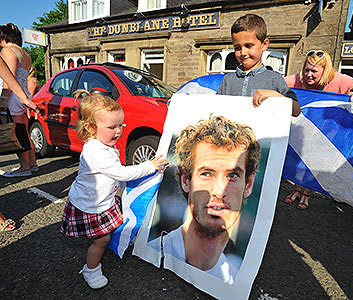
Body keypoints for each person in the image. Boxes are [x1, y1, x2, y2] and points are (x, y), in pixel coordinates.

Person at [60, 91, 168, 289]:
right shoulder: (95, 151)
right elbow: (122, 173)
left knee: (110, 228)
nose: (118, 131)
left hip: (101, 201)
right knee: (101, 240)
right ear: (90, 128)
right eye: (112, 127)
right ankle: (91, 269)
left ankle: (112, 243)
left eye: (121, 125)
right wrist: (151, 166)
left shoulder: (103, 145)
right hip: (90, 206)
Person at [149, 115, 260, 284]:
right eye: (206, 174)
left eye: (232, 175)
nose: (218, 191)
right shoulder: (154, 253)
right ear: (186, 180)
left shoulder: (234, 276)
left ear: (248, 184)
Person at [283, 50, 353, 209]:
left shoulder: (338, 79)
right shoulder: (298, 79)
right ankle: (297, 189)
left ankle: (306, 193)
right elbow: (275, 82)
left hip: (328, 131)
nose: (308, 75)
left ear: (325, 70)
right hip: (304, 128)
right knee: (299, 159)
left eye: (314, 71)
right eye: (306, 70)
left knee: (315, 161)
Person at [216, 14, 301, 117]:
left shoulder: (275, 79)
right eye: (237, 47)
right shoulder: (228, 80)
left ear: (264, 44)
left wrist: (277, 96)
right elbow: (217, 110)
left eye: (248, 46)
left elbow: (296, 111)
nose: (243, 52)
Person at [0, 56, 41, 231]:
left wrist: (22, 98)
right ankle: (29, 165)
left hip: (14, 100)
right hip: (16, 100)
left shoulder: (9, 51)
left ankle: (27, 166)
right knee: (22, 134)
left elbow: (6, 73)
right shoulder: (18, 53)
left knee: (20, 134)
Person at [0, 23, 38, 177]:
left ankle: (24, 167)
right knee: (24, 132)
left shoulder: (8, 51)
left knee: (16, 133)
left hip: (13, 96)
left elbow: (8, 78)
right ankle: (32, 164)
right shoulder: (24, 53)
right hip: (23, 95)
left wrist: (3, 99)